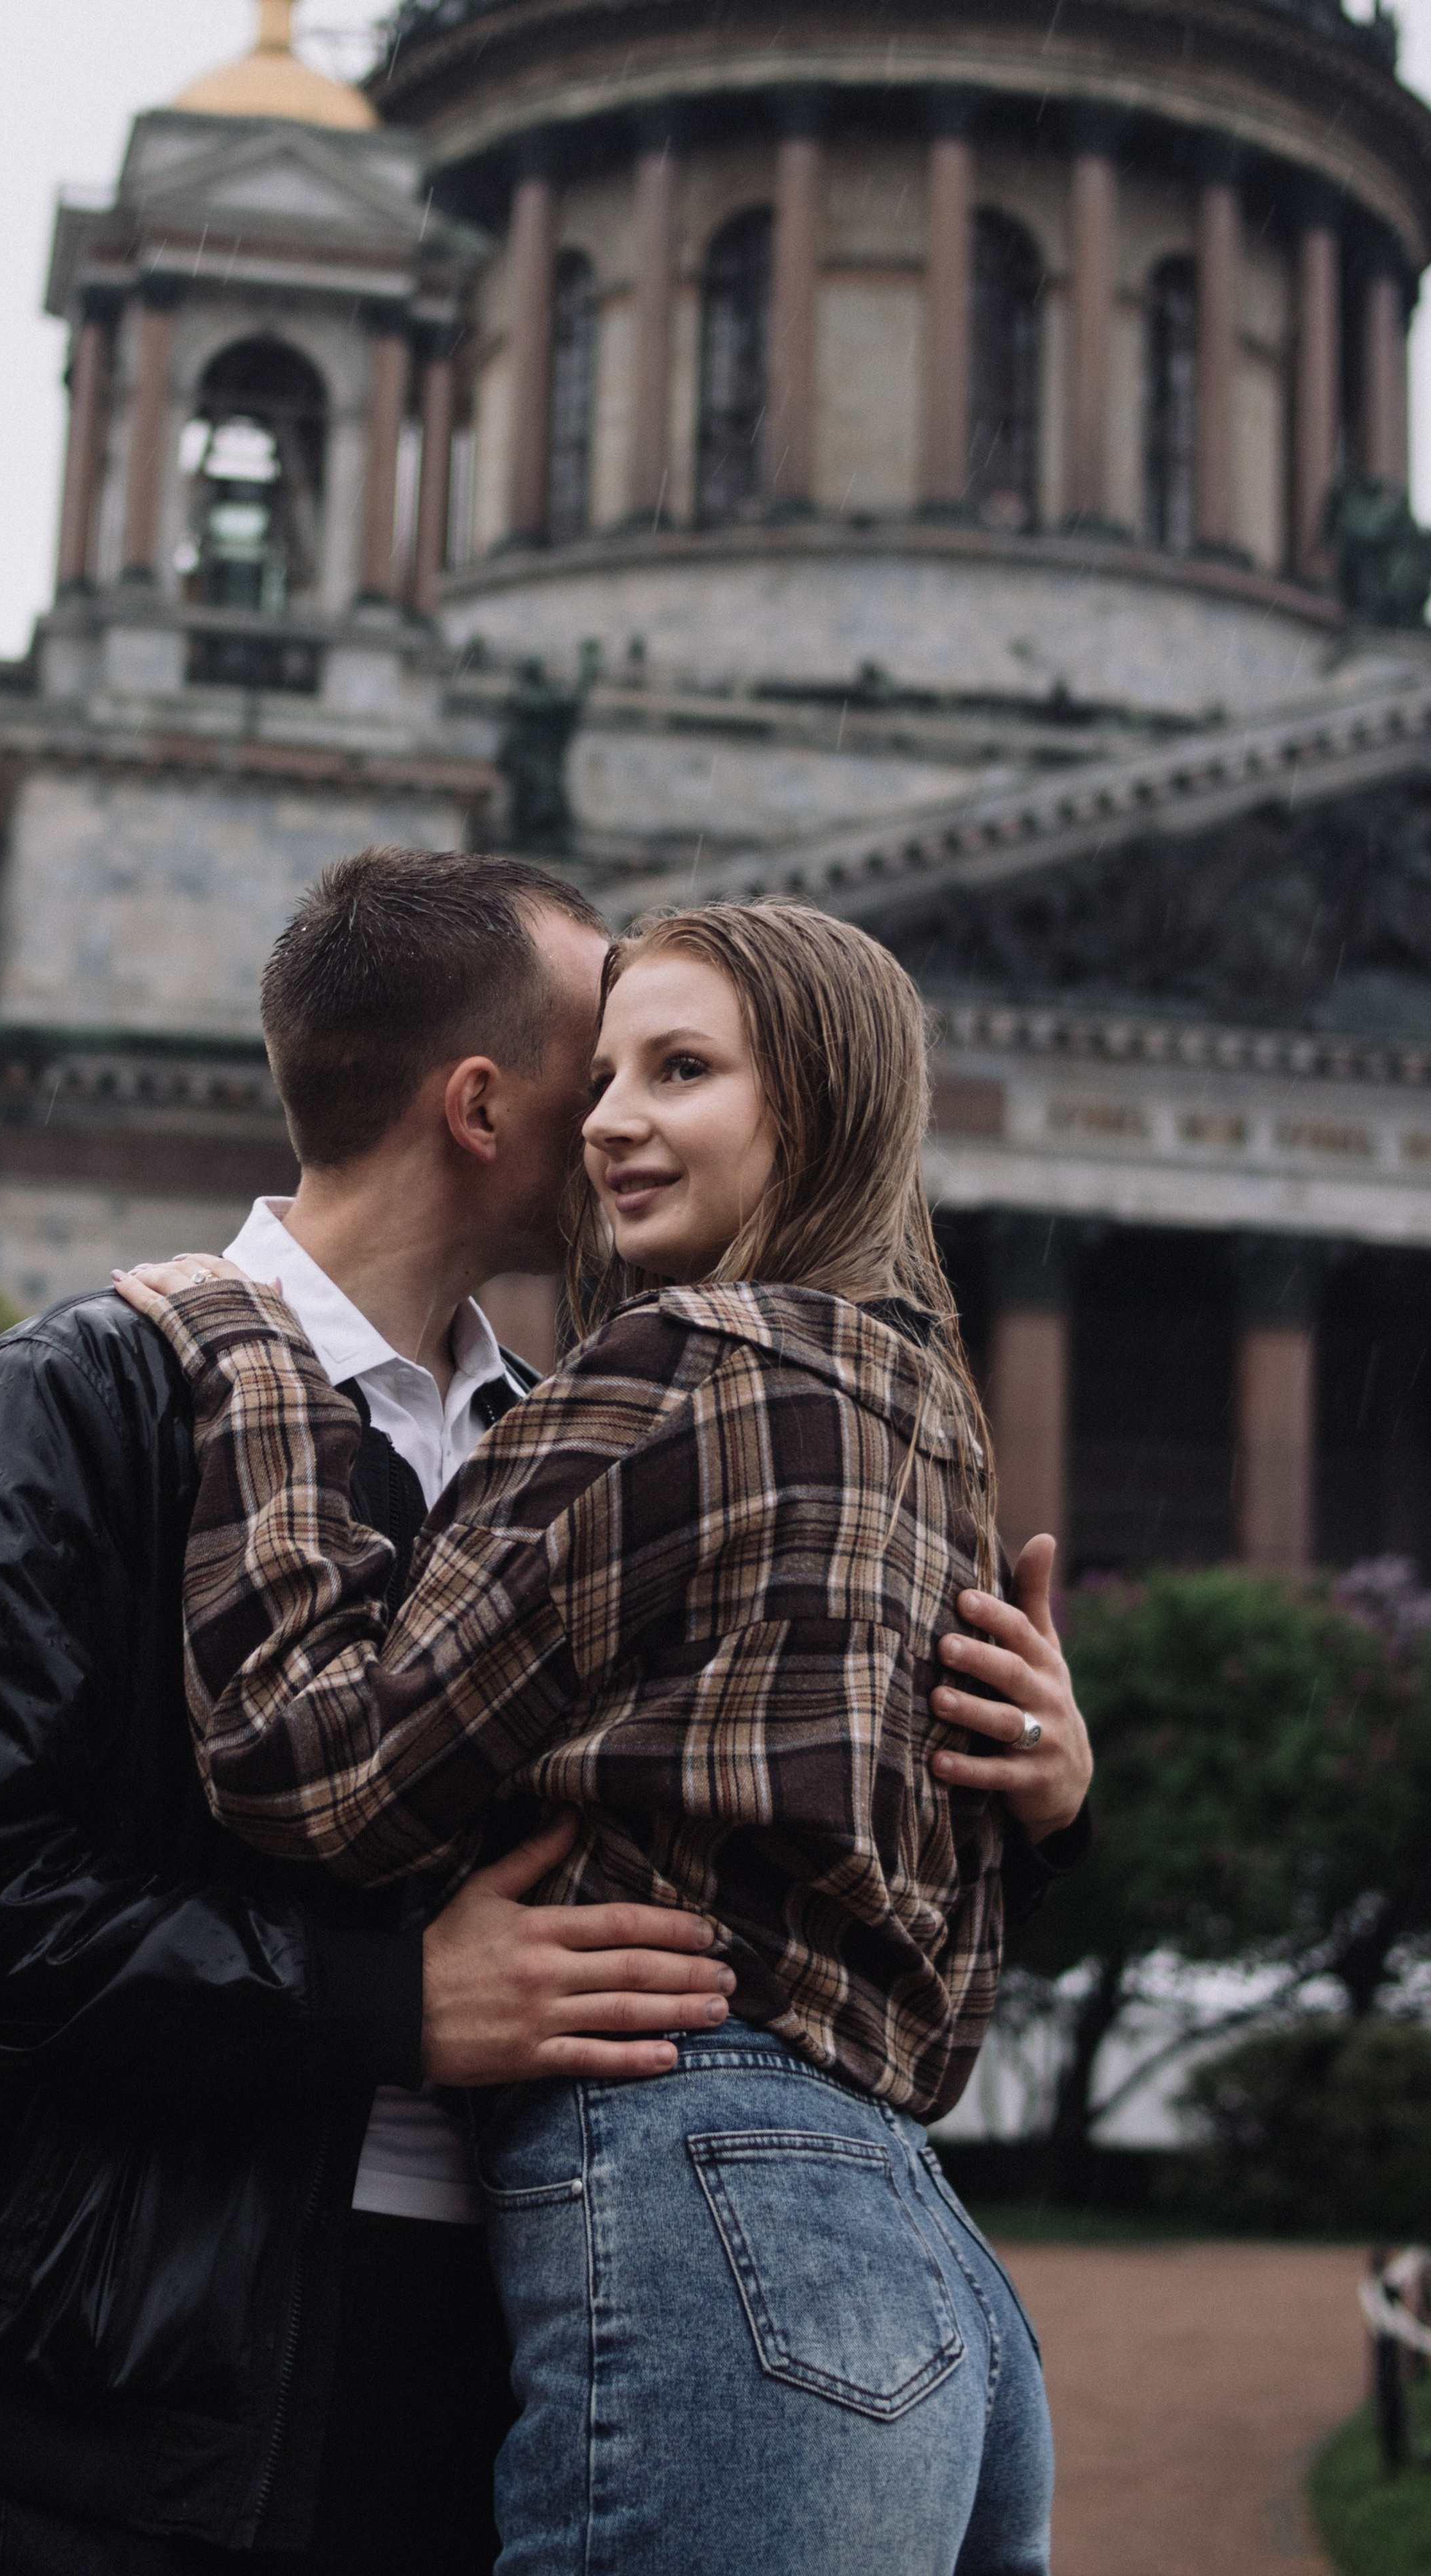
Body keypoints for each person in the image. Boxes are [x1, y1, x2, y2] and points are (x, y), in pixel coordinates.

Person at [115, 898, 1094, 2576]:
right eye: (606, 1071)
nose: (609, 1120)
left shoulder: (683, 1363)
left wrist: (248, 1358)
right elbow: (938, 1907)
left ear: (823, 1104)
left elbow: (321, 1770)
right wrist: (1058, 1796)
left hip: (698, 2176)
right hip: (921, 2252)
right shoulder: (923, 1412)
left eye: (684, 1069)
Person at [0, 850, 746, 2576]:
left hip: (526, 2348)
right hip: (166, 2396)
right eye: (602, 1061)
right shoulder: (86, 1393)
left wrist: (1036, 1789)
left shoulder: (577, 1439)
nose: (630, 1111)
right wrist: (380, 2003)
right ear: (479, 1105)